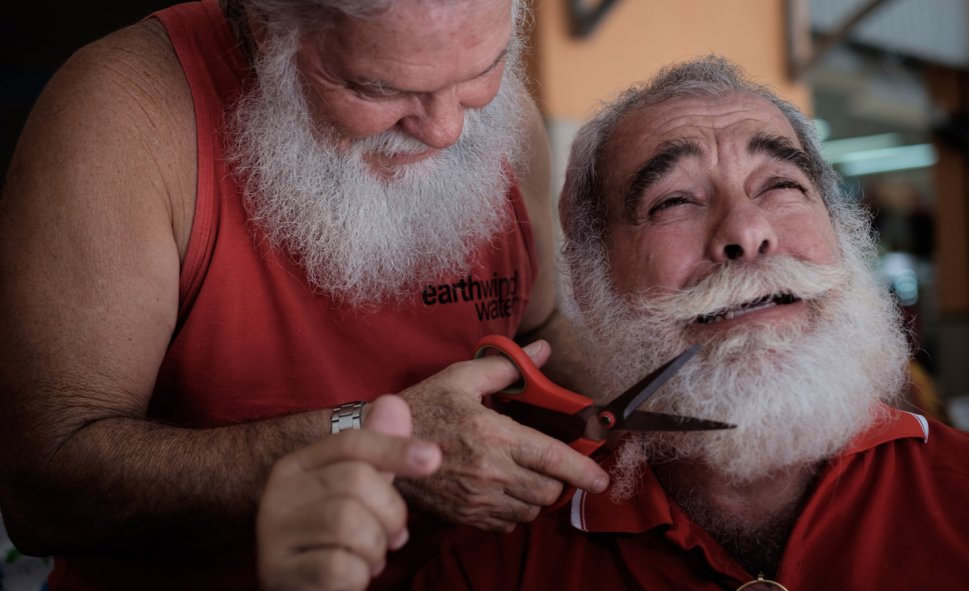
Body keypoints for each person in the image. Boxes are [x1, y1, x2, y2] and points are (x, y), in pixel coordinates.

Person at [266, 55, 969, 589]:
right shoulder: (492, 571)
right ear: (589, 278)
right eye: (674, 200)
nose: (746, 230)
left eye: (781, 185)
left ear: (846, 234)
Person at [0, 0, 610, 589]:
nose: (447, 129)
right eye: (379, 89)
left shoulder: (497, 115)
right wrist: (371, 440)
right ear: (268, 29)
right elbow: (46, 487)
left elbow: (538, 324)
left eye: (484, 69)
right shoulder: (123, 116)